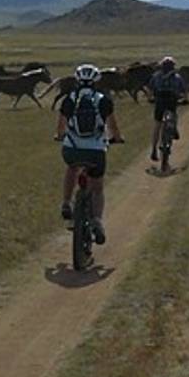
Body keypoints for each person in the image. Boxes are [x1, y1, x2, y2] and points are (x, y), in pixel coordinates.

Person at [55, 63, 124, 243]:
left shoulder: (69, 99)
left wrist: (60, 136)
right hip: (96, 152)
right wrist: (116, 138)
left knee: (71, 168)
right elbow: (113, 128)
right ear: (96, 81)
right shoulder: (103, 100)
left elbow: (61, 128)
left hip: (72, 149)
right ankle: (97, 221)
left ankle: (66, 203)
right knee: (97, 188)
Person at [148, 56, 185, 162]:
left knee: (157, 125)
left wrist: (150, 98)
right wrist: (184, 99)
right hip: (171, 102)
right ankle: (174, 129)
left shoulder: (156, 76)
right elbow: (183, 91)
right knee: (174, 115)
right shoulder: (177, 77)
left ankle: (154, 150)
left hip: (159, 102)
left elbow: (150, 89)